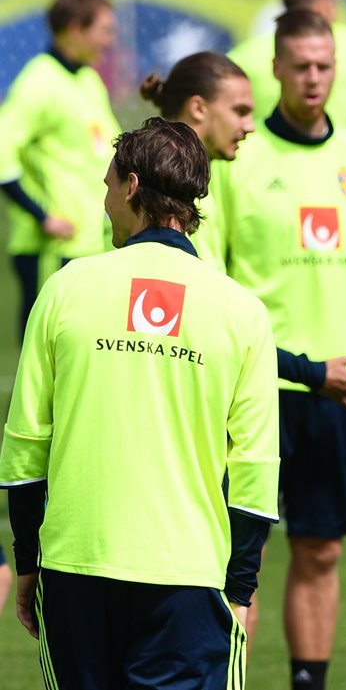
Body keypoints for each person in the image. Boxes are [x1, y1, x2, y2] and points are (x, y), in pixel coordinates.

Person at [0, 117, 279, 688]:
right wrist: (241, 591)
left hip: (75, 569)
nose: (103, 204)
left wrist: (26, 562)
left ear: (130, 186)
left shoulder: (65, 287)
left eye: (105, 187)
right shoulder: (241, 311)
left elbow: (25, 447)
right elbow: (255, 471)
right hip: (188, 575)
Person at [213, 10, 346, 690]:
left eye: (325, 65)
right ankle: (228, 679)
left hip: (344, 387)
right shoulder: (239, 158)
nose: (315, 77)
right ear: (276, 70)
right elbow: (217, 277)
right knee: (240, 555)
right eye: (301, 66)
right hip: (255, 392)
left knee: (321, 550)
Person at [0, 0, 120, 337]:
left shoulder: (86, 79)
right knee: (46, 345)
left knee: (79, 346)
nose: (109, 41)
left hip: (89, 242)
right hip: (51, 249)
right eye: (104, 31)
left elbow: (111, 148)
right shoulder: (38, 82)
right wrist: (42, 217)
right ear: (75, 29)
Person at [229, 0, 346, 130]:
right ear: (323, 5)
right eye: (301, 67)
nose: (313, 79)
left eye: (323, 67)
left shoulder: (246, 54)